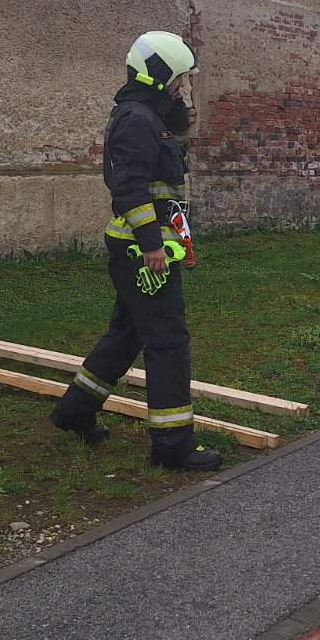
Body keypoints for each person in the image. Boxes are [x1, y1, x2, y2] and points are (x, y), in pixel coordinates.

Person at [50, 32, 220, 471]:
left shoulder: (151, 116)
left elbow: (177, 147)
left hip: (149, 244)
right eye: (178, 79)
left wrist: (174, 106)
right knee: (167, 339)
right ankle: (172, 445)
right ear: (158, 75)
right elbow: (128, 187)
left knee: (126, 333)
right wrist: (150, 246)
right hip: (143, 249)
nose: (182, 86)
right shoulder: (136, 120)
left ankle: (75, 411)